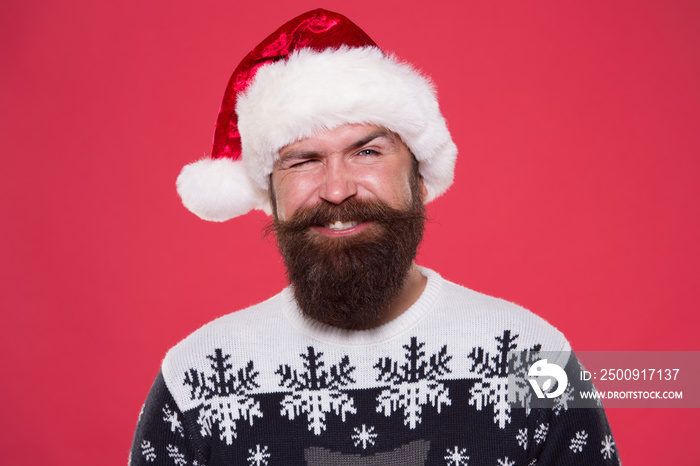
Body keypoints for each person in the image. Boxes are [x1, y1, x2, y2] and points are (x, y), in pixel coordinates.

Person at [131, 9, 620, 465]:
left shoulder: (536, 359)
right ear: (269, 193)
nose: (337, 190)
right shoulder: (195, 381)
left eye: (367, 152)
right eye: (304, 160)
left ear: (420, 177)